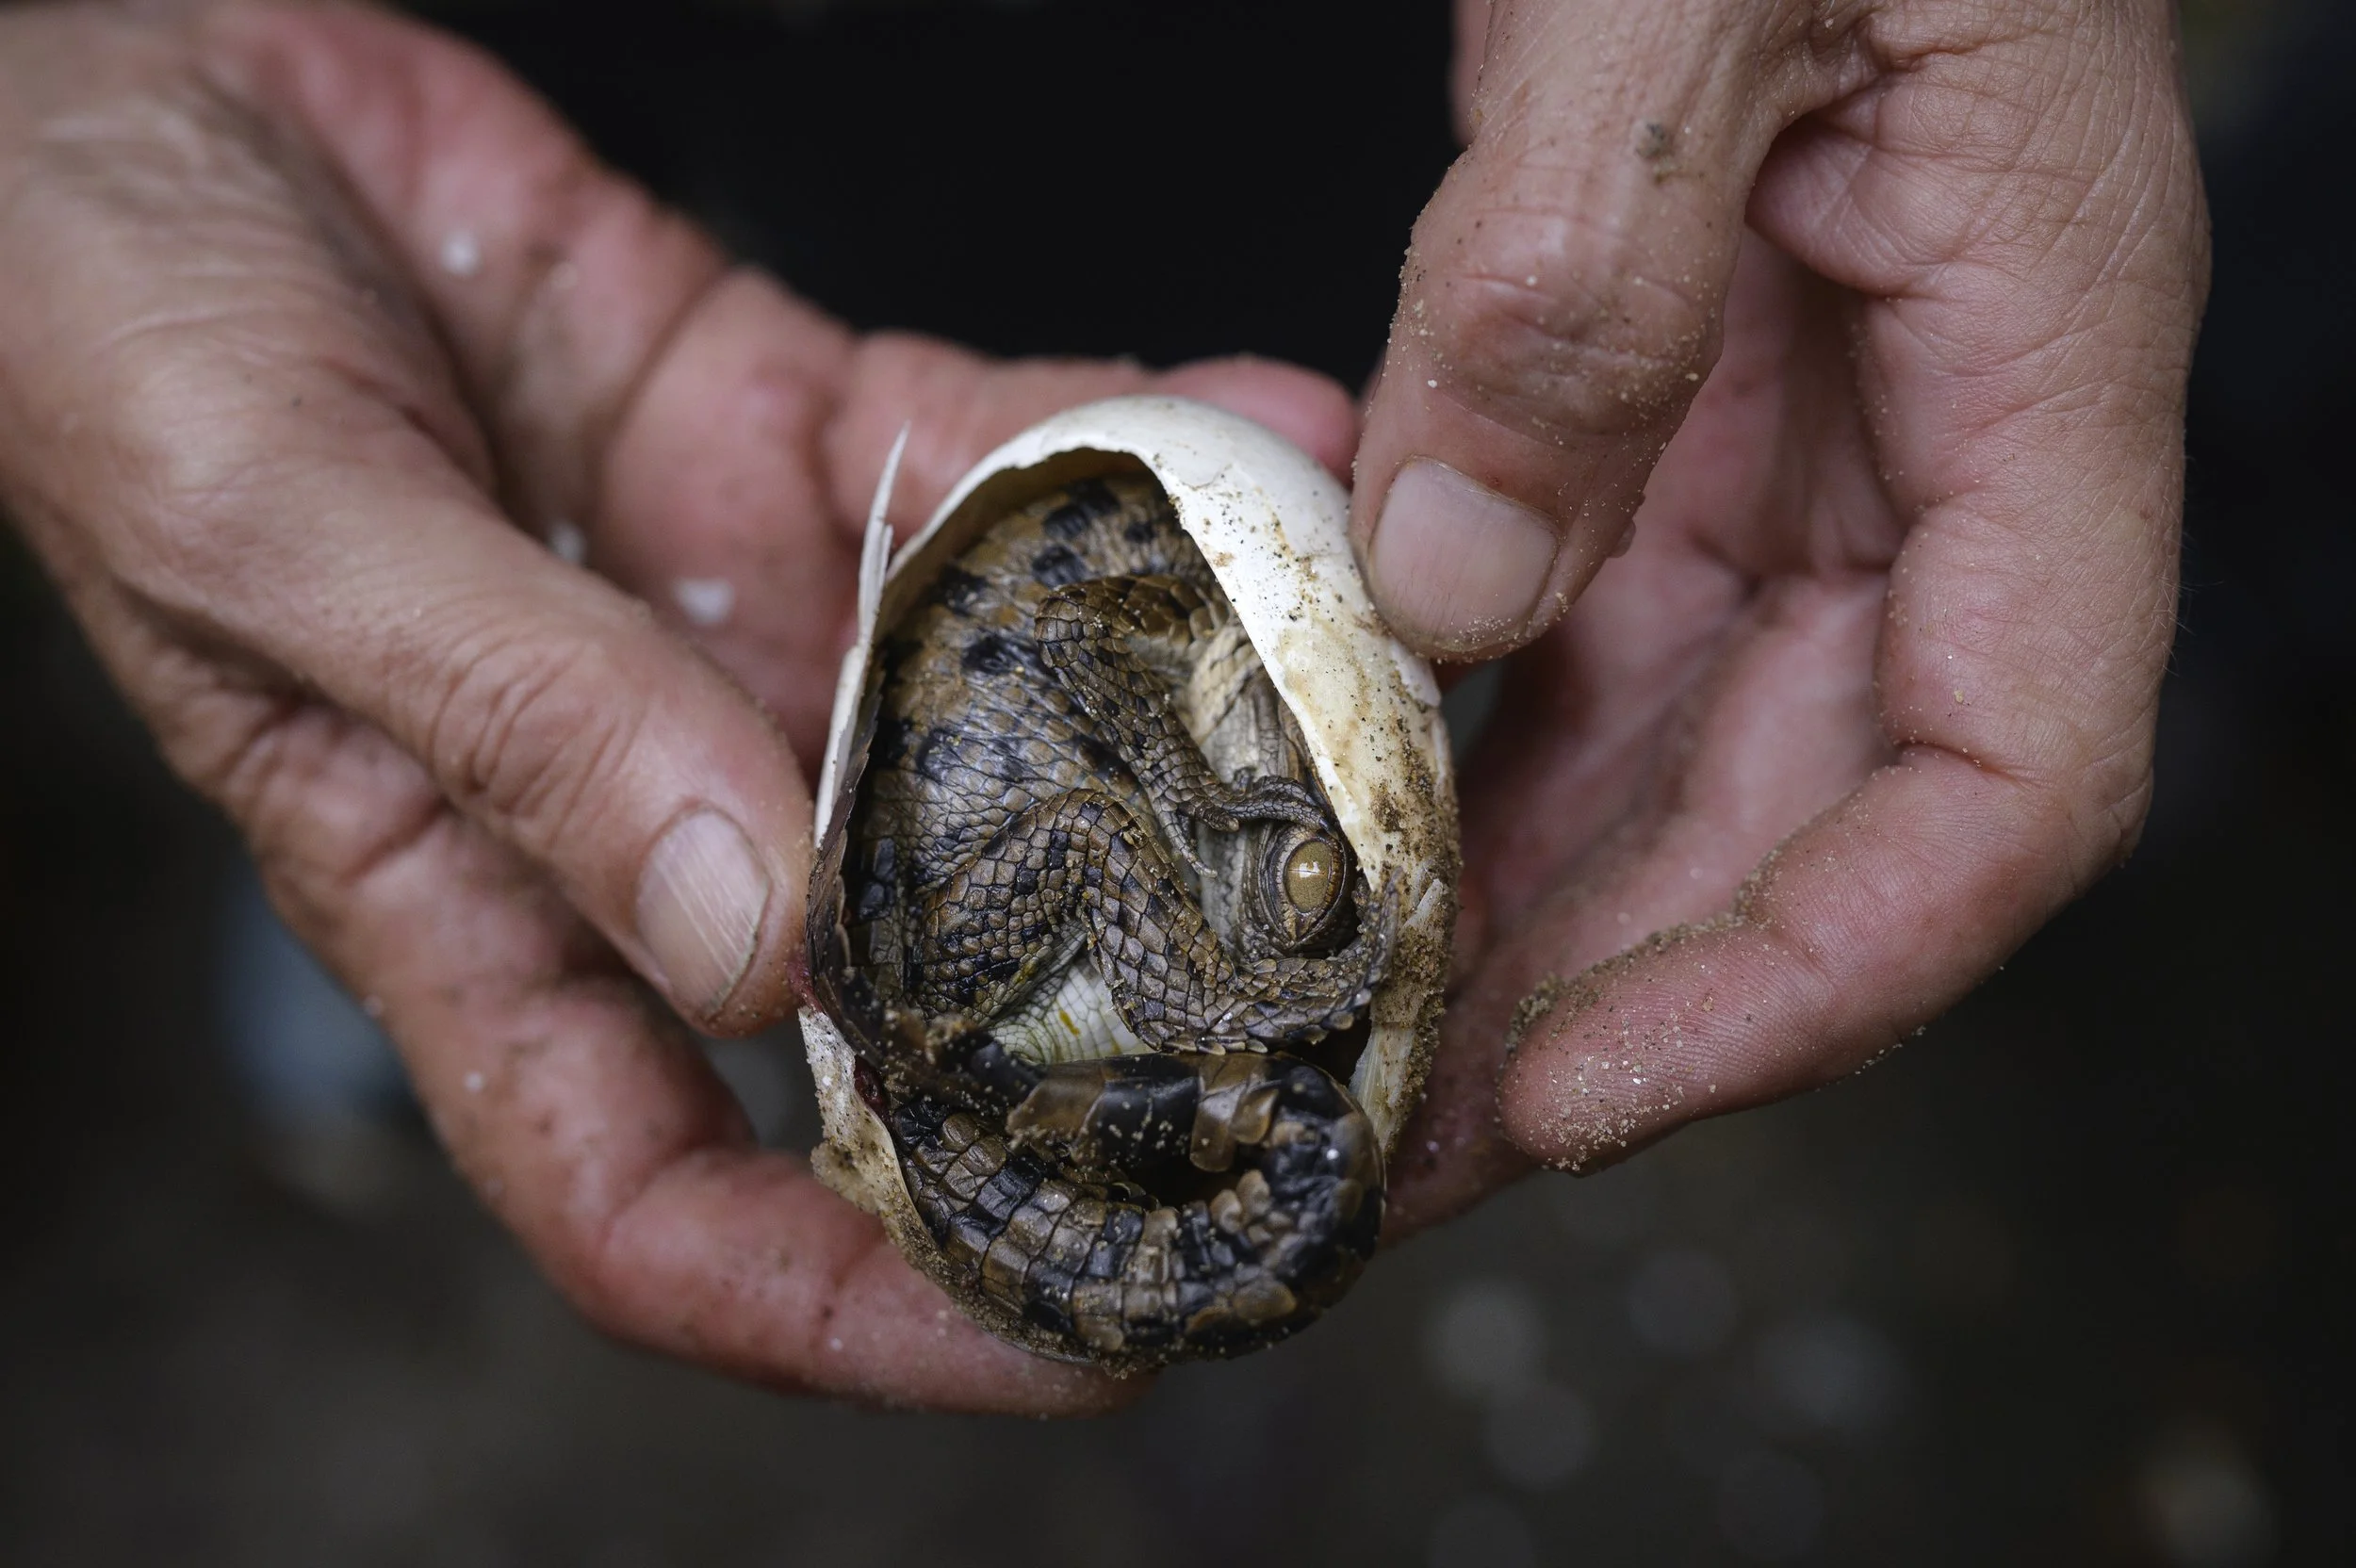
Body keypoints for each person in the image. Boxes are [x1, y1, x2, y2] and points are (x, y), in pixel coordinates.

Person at [0, 0, 2204, 1413]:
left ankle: (1452, 616)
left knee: (1362, 340)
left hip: (1300, 102)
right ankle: (384, 755)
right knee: (420, 461)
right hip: (502, 104)